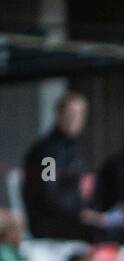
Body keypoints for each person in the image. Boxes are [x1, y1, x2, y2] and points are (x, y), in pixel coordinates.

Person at [22, 91, 115, 241]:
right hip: (49, 222)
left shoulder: (71, 148)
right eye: (71, 114)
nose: (75, 119)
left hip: (70, 217)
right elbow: (47, 192)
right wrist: (79, 213)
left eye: (80, 114)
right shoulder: (48, 152)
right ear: (59, 115)